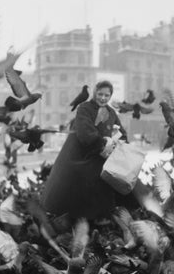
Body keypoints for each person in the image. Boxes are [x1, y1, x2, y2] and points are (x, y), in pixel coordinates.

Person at [41, 80, 129, 221]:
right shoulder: (84, 108)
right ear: (94, 93)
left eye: (107, 95)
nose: (103, 98)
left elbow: (123, 134)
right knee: (76, 189)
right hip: (81, 155)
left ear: (110, 96)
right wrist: (102, 143)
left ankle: (101, 218)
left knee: (106, 185)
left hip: (102, 156)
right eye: (100, 94)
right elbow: (85, 131)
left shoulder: (111, 113)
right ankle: (74, 219)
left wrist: (119, 142)